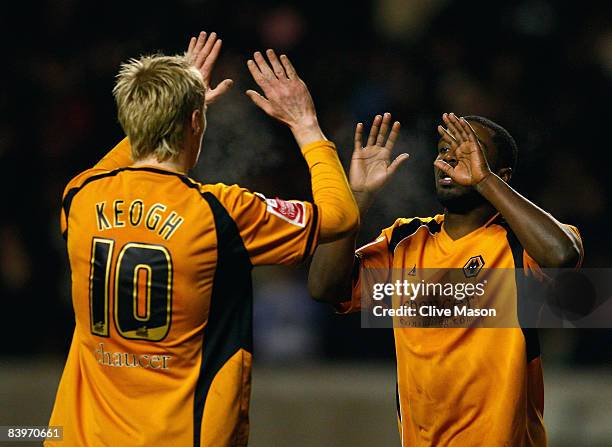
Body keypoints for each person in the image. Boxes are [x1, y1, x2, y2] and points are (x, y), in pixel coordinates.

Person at [46, 31, 359, 447]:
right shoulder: (221, 212)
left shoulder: (81, 197)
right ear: (196, 121)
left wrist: (167, 107)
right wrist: (306, 125)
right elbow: (341, 216)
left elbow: (125, 155)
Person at [308, 112, 584, 446]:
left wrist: (484, 180)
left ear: (502, 174)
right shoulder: (405, 239)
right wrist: (356, 199)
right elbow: (324, 287)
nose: (450, 157)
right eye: (443, 150)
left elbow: (562, 255)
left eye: (468, 149)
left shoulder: (520, 241)